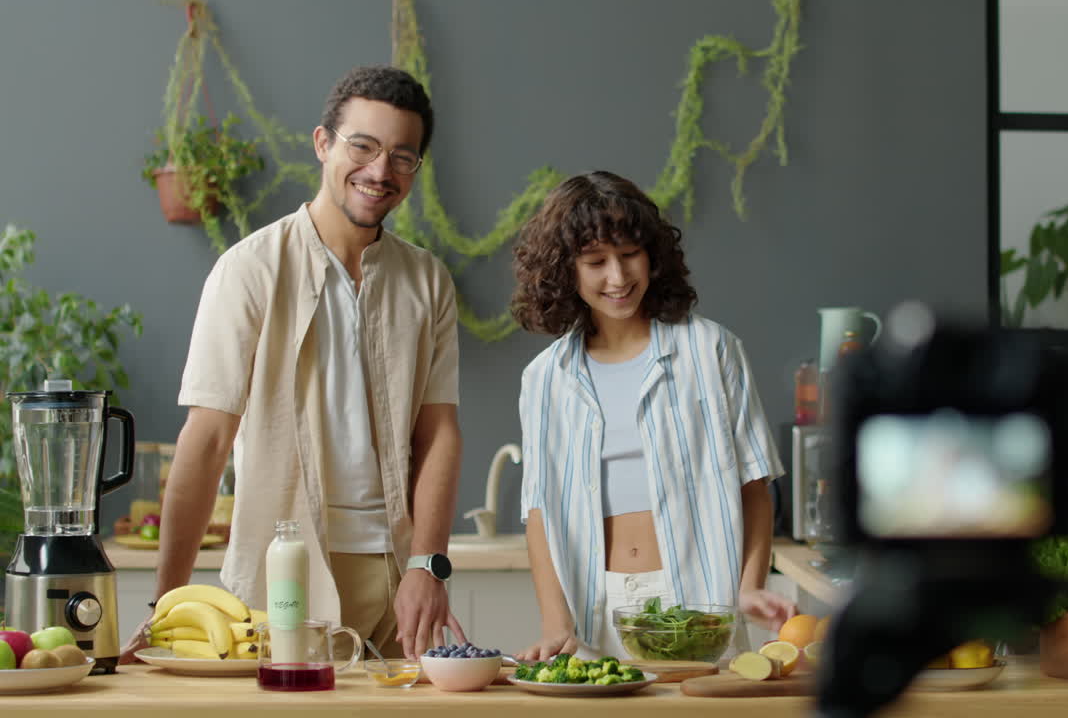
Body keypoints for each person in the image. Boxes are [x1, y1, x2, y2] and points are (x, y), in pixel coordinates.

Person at [121, 65, 465, 662]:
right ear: (323, 144)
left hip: (397, 575)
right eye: (363, 145)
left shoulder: (426, 280)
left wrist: (427, 566)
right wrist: (167, 606)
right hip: (281, 572)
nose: (380, 171)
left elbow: (439, 435)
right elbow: (205, 441)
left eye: (402, 156)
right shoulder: (249, 270)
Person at [510, 171, 796, 661]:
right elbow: (540, 513)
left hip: (704, 605)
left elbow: (754, 488)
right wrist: (555, 620)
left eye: (629, 255)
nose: (617, 278)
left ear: (652, 255)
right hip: (594, 611)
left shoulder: (712, 350)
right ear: (567, 270)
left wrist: (748, 588)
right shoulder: (545, 379)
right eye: (596, 261)